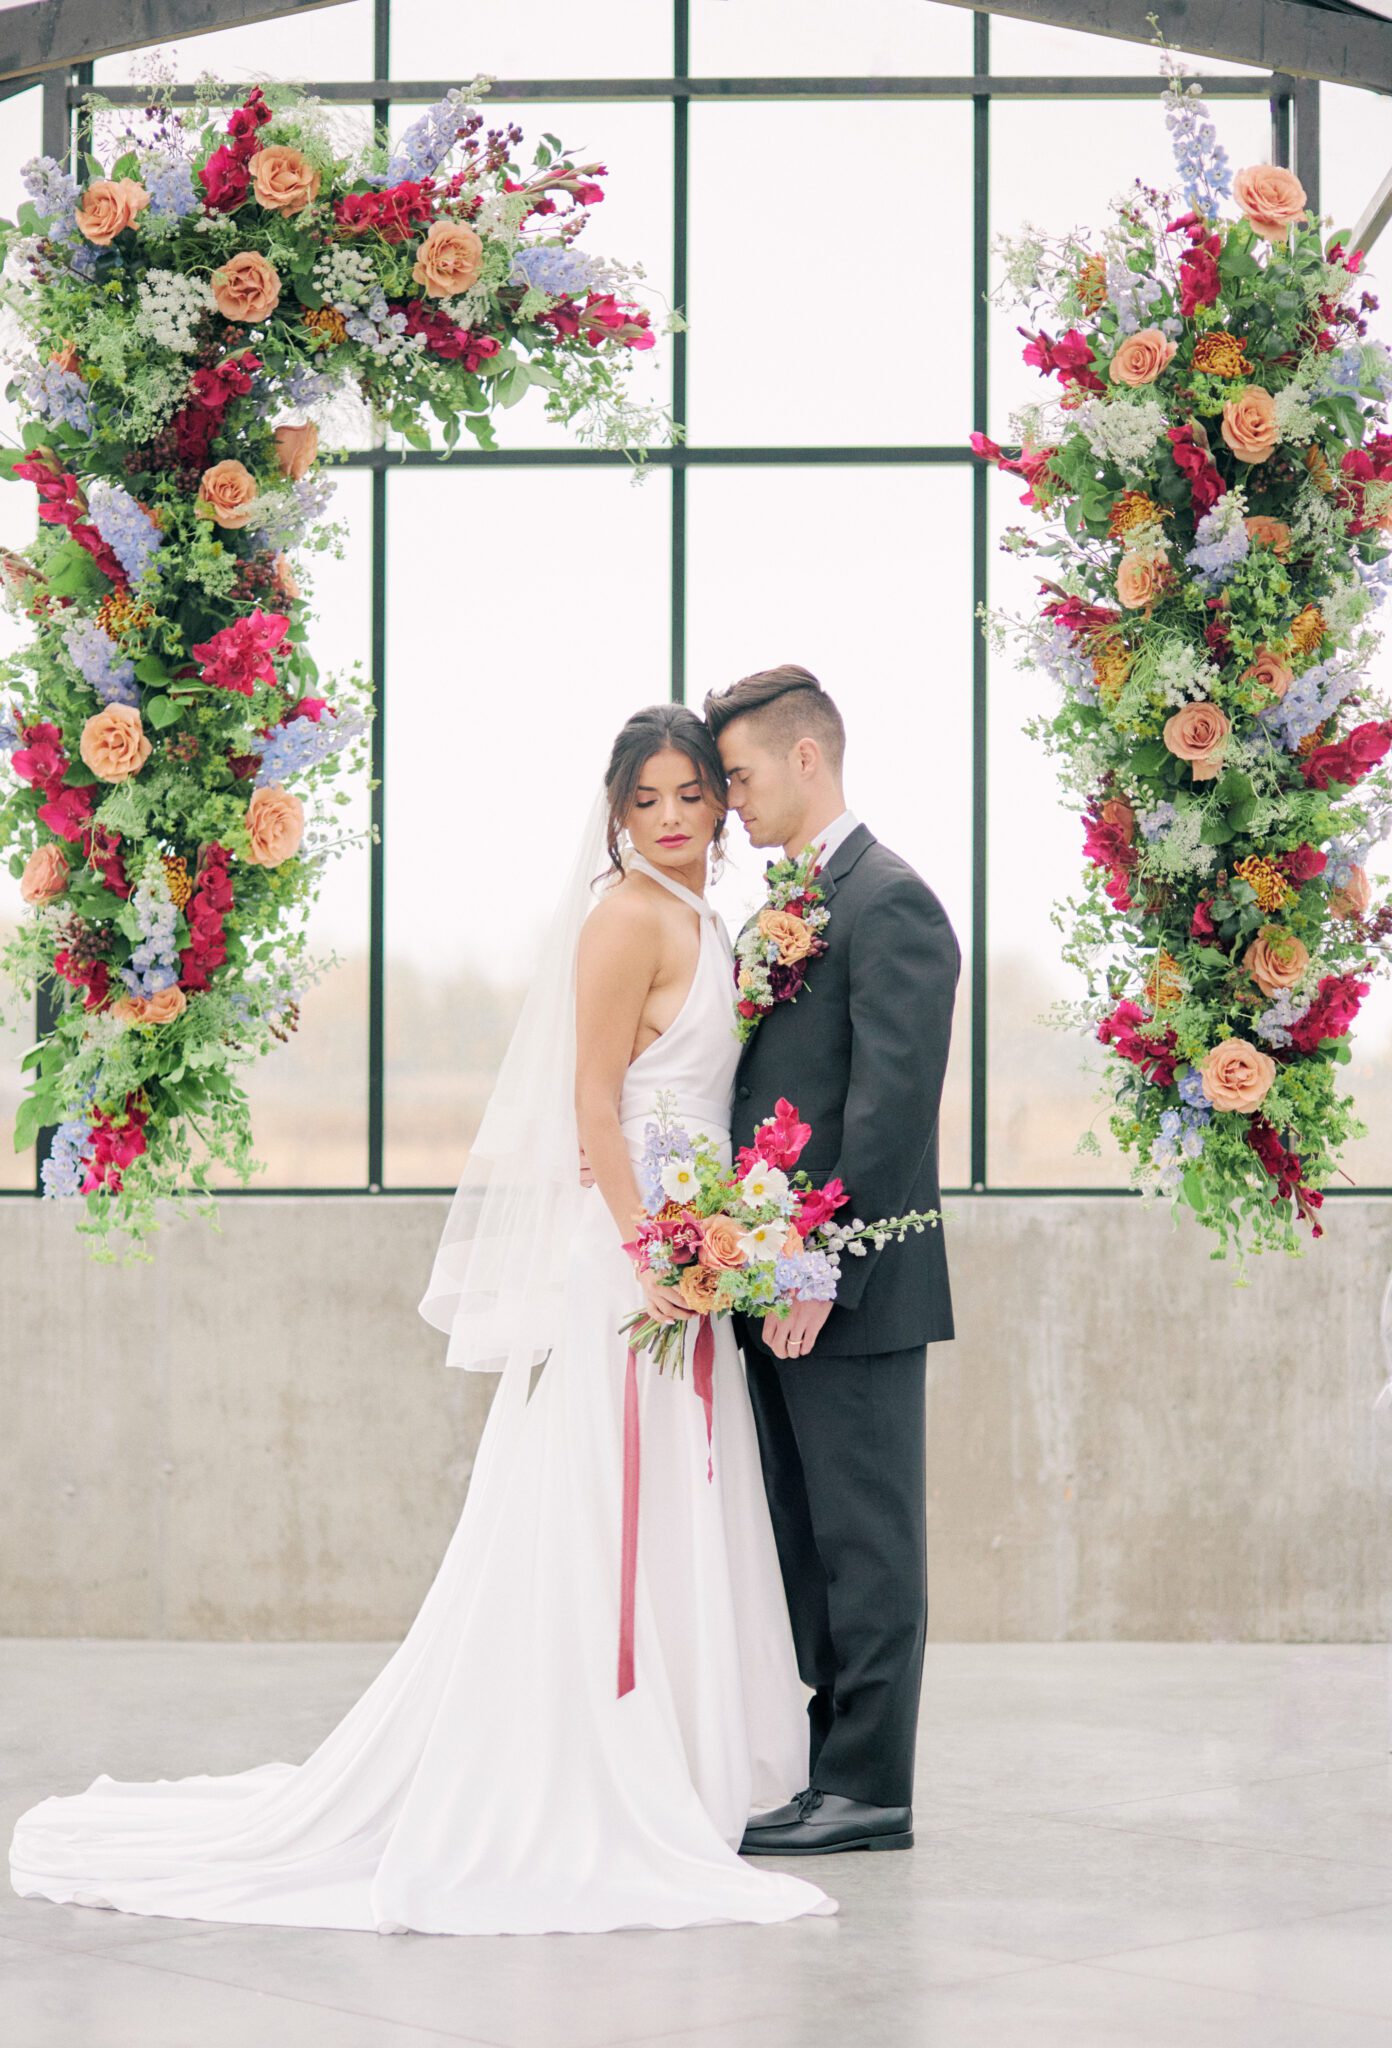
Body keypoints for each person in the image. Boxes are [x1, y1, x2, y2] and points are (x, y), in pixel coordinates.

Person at [8, 704, 836, 1936]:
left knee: (673, 1497)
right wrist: (649, 1250)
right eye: (645, 798)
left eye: (690, 795)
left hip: (689, 1256)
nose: (669, 816)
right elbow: (593, 1110)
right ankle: (585, 1763)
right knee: (605, 1500)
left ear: (722, 804)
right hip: (633, 1264)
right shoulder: (623, 917)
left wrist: (721, 1235)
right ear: (615, 811)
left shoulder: (708, 918)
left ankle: (679, 1758)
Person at [704, 663, 960, 1857]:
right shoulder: (789, 906)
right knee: (803, 1538)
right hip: (776, 1280)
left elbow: (891, 1121)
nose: (729, 800)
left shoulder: (890, 902)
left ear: (808, 758)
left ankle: (873, 1786)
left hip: (849, 1290)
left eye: (740, 775)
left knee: (867, 1540)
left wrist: (823, 1272)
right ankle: (826, 1771)